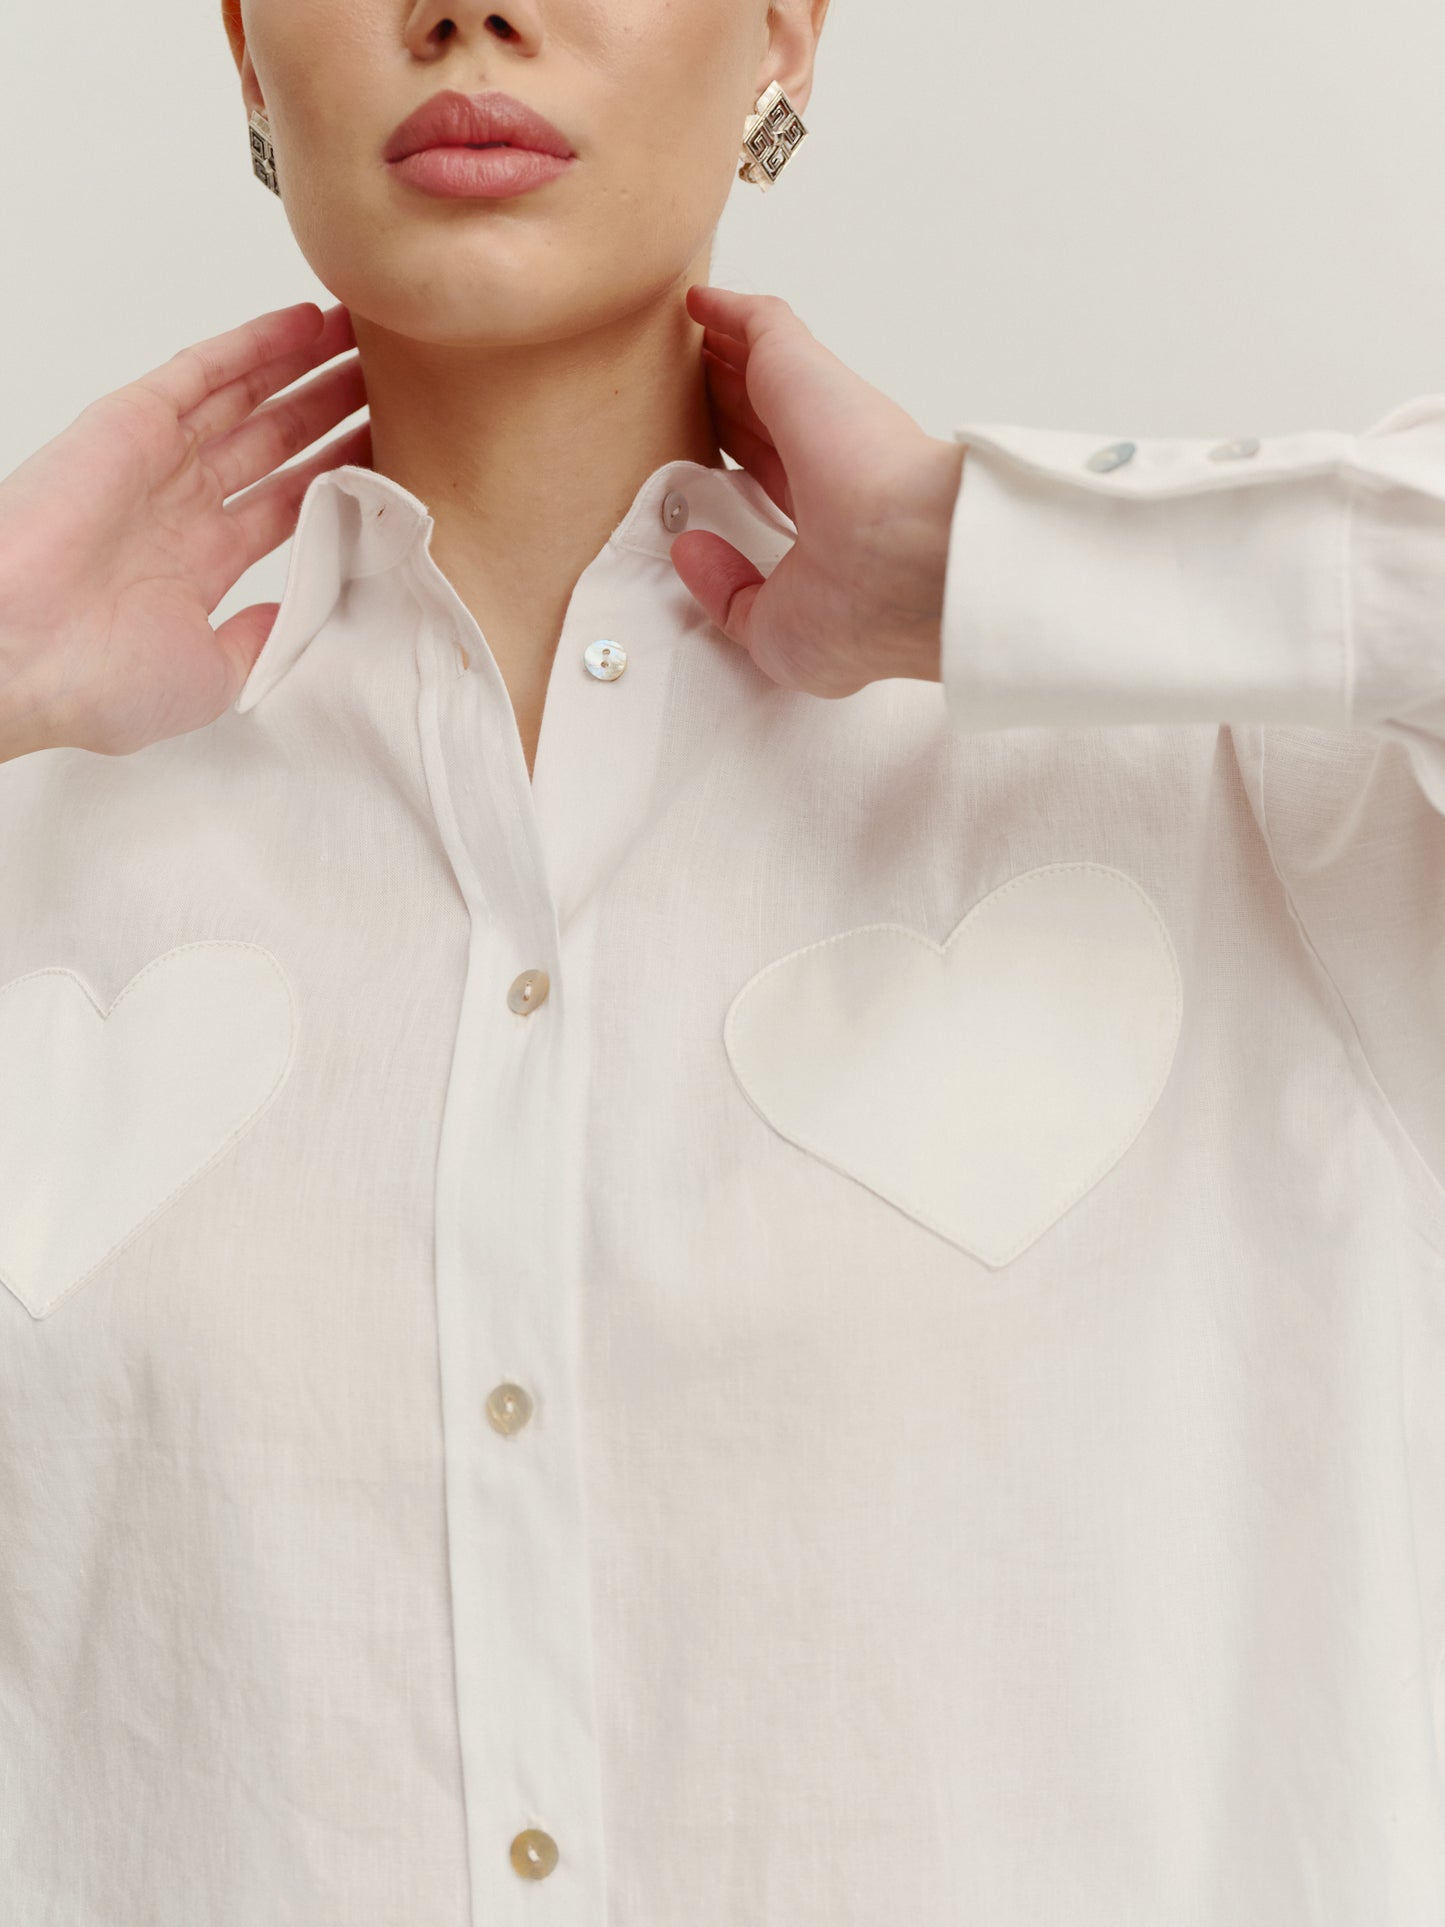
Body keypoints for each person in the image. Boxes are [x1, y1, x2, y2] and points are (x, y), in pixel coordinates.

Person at [1, 0, 1442, 1921]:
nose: (465, 8)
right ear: (247, 48)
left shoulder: (1246, 785)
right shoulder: (42, 818)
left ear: (786, 31)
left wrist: (974, 561)